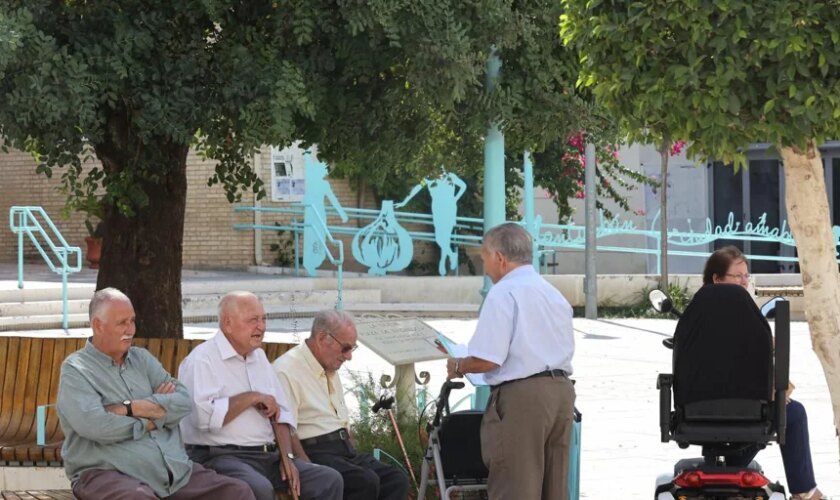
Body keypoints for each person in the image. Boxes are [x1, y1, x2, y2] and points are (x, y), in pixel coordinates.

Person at [57, 288, 255, 500]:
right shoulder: (76, 370)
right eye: (122, 323)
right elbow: (95, 426)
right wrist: (151, 420)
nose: (131, 329)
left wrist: (130, 409)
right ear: (98, 325)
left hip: (173, 474)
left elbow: (182, 401)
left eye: (132, 321)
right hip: (106, 474)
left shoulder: (142, 359)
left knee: (237, 492)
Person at [445, 222, 576, 500]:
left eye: (485, 260)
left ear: (500, 258)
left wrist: (459, 365)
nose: (486, 268)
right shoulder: (552, 292)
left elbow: (487, 359)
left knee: (516, 487)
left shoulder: (504, 292)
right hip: (561, 392)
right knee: (554, 488)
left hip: (523, 397)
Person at [178, 291, 343, 500]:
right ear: (228, 323)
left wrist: (288, 457)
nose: (262, 327)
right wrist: (251, 397)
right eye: (253, 320)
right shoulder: (201, 361)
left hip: (267, 456)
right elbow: (205, 419)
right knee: (259, 488)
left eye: (264, 319)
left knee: (327, 479)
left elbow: (281, 414)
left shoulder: (259, 357)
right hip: (220, 456)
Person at [702, 246, 822, 500]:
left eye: (747, 275)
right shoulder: (742, 311)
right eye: (738, 276)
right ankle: (804, 492)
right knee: (794, 413)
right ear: (717, 278)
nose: (745, 281)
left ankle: (730, 465)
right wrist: (771, 389)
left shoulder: (696, 313)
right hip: (743, 403)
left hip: (697, 406)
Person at [272, 309, 410, 500]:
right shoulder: (286, 370)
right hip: (315, 450)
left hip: (342, 450)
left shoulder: (329, 366)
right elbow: (286, 429)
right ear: (322, 338)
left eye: (352, 349)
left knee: (396, 479)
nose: (349, 356)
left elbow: (339, 420)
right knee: (364, 481)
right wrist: (307, 467)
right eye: (345, 348)